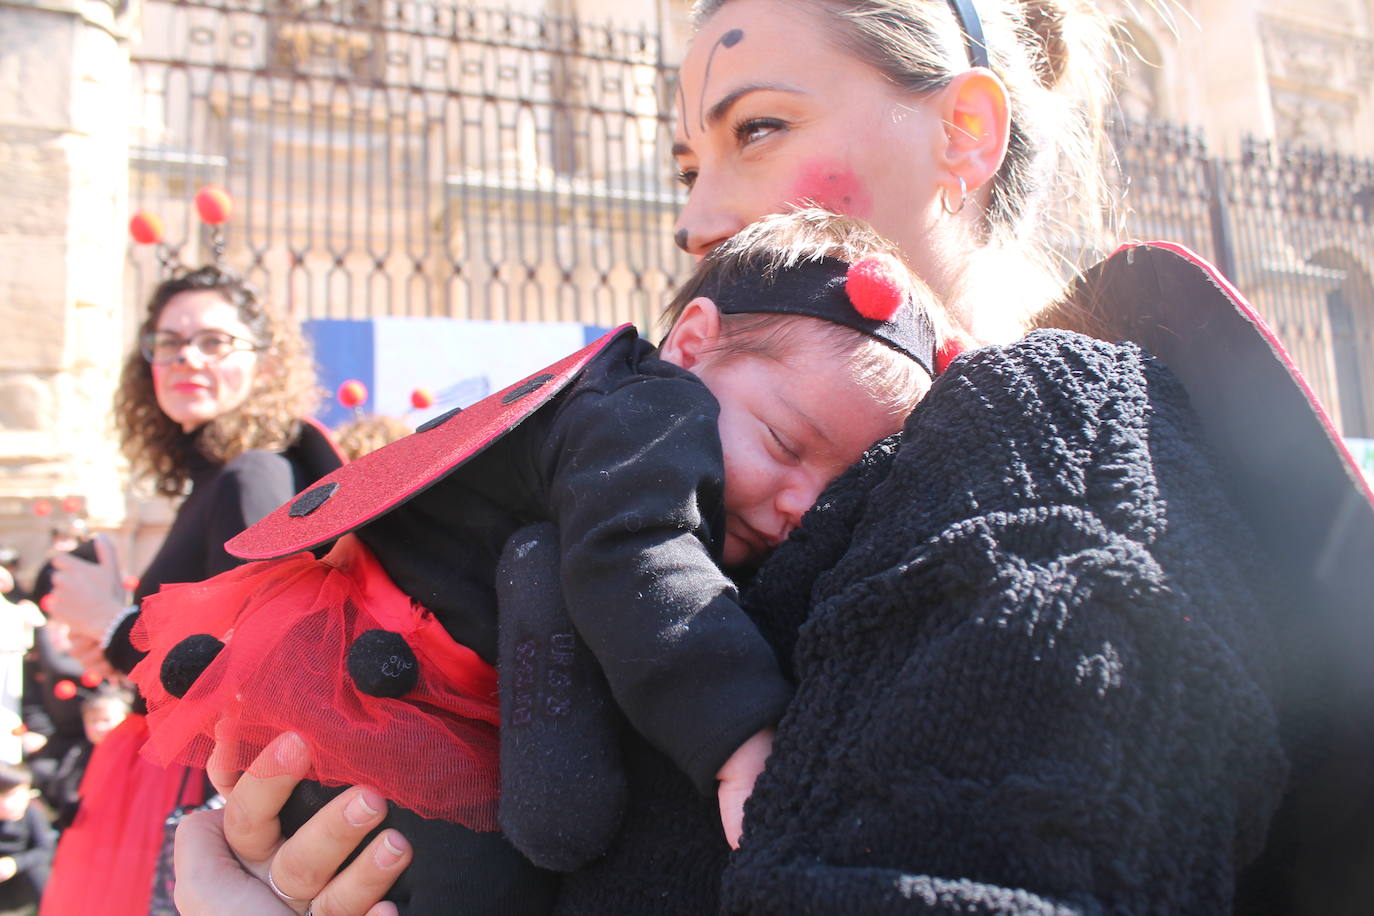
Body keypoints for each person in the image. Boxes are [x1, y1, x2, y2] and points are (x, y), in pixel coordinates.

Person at [175, 0, 1374, 912]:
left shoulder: (1052, 443)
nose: (697, 216)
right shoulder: (729, 501)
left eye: (759, 128)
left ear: (963, 132)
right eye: (688, 164)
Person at [132, 210, 939, 914]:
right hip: (383, 692)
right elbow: (641, 558)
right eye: (786, 443)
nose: (805, 503)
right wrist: (738, 735)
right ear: (691, 345)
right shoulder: (648, 409)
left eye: (839, 489)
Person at [38, 264, 342, 915]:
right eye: (169, 343)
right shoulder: (217, 478)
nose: (187, 358)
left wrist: (117, 627)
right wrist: (118, 649)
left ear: (264, 364)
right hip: (169, 783)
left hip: (209, 798)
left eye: (214, 341)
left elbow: (257, 675)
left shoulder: (253, 473)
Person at [0, 762, 53, 915]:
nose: (20, 802)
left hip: (22, 873)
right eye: (11, 796)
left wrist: (15, 863)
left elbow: (45, 850)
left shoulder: (32, 813)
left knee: (38, 872)